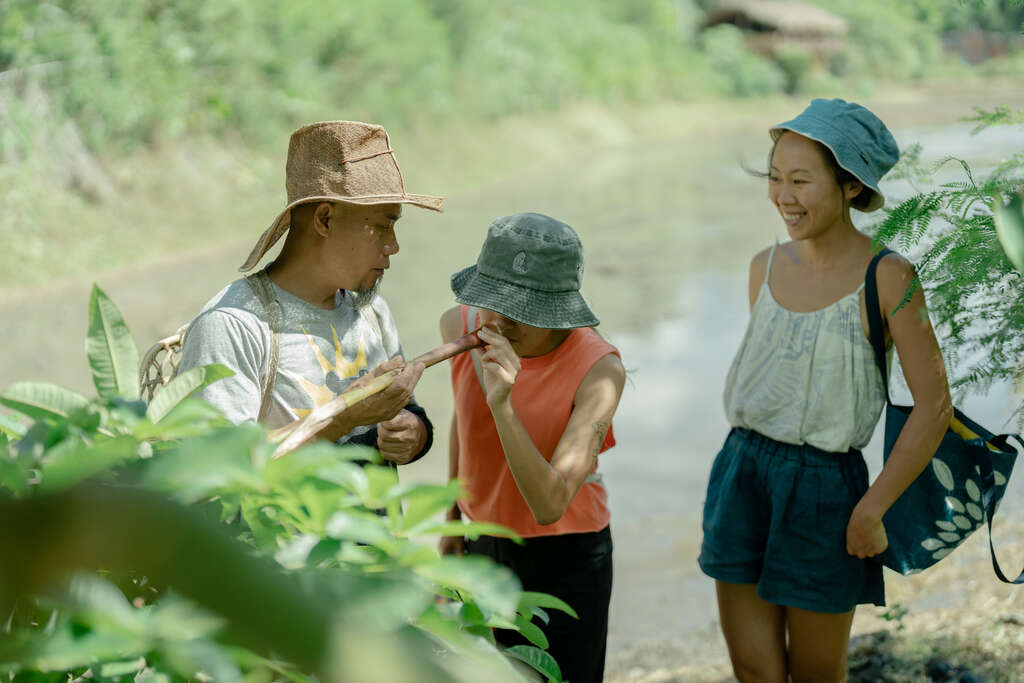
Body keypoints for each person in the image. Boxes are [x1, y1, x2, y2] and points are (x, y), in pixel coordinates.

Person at [698, 98, 954, 682]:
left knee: (818, 674)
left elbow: (934, 406)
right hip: (741, 471)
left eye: (802, 181)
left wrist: (873, 507)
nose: (783, 196)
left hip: (825, 489)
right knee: (755, 674)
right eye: (775, 178)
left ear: (850, 185)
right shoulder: (762, 266)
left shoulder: (889, 277)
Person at [178, 120, 442, 465]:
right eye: (381, 226)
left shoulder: (371, 312)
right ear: (325, 220)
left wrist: (414, 432)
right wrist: (343, 417)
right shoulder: (234, 326)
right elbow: (218, 468)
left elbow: (407, 412)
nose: (392, 246)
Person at [438, 212, 626, 683]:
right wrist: (452, 518)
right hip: (482, 541)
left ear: (559, 309)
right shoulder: (461, 326)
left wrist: (503, 402)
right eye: (493, 301)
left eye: (523, 310)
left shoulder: (599, 370)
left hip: (566, 552)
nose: (501, 320)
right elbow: (463, 420)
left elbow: (550, 503)